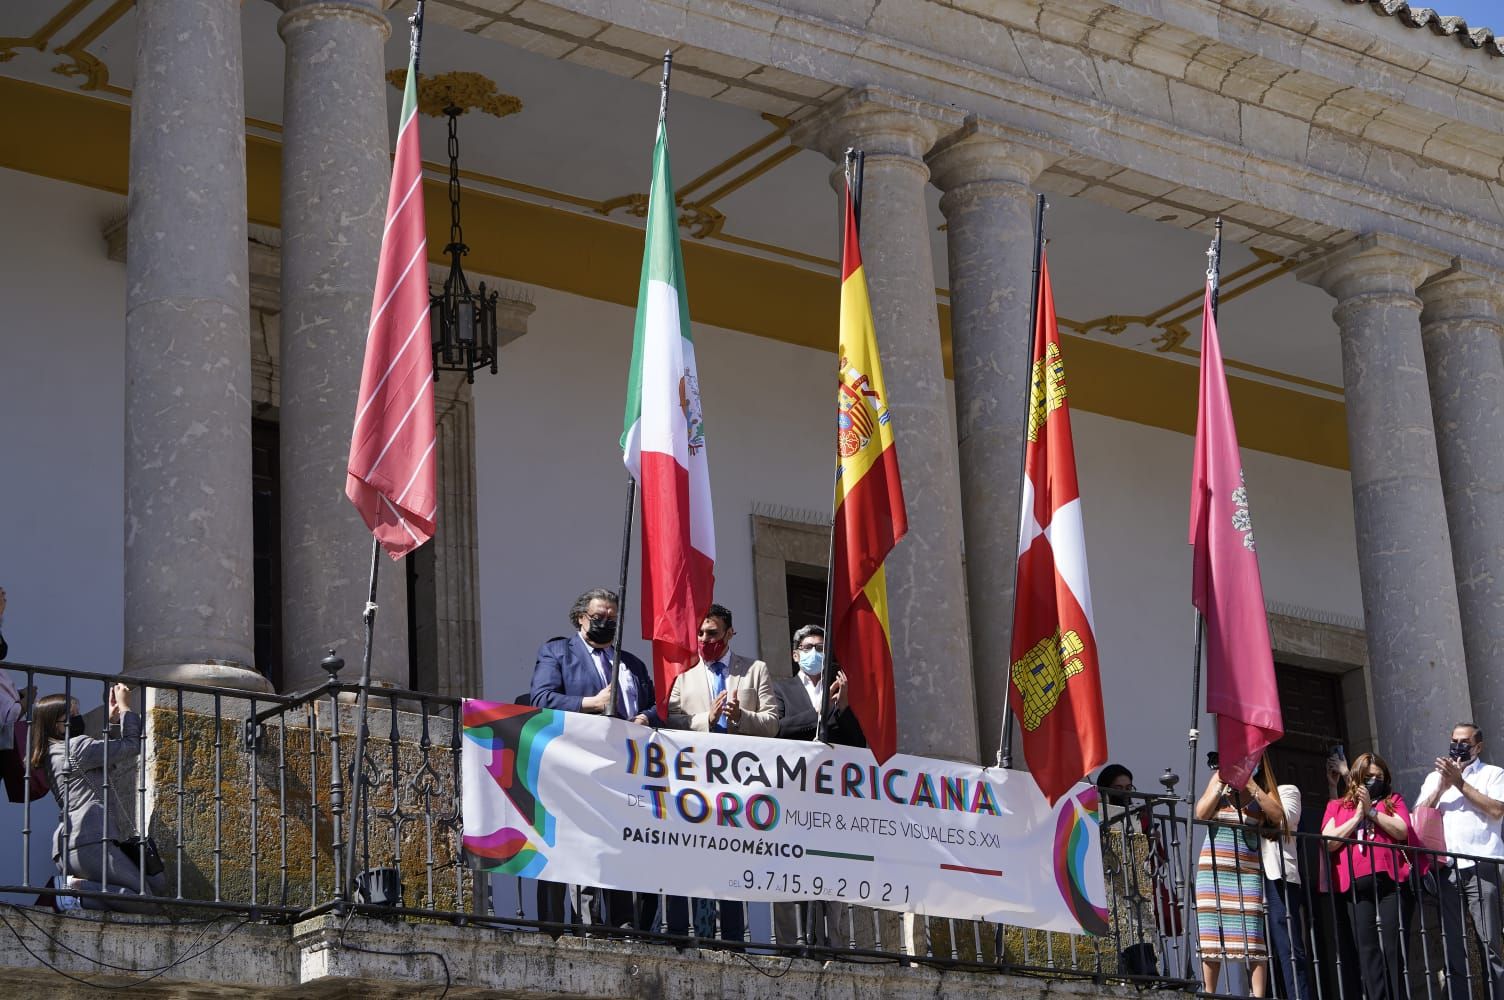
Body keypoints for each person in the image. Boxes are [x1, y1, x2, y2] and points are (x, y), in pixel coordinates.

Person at [528, 587, 659, 931]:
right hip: (575, 766)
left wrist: (646, 717)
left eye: (613, 619)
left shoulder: (630, 663)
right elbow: (541, 698)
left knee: (620, 844)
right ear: (580, 617)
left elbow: (655, 703)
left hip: (625, 770)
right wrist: (592, 702)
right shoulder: (558, 651)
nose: (606, 623)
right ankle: (586, 924)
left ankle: (625, 924)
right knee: (579, 846)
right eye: (599, 617)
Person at [662, 605, 777, 943]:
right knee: (688, 853)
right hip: (693, 780)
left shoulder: (754, 670)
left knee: (731, 856)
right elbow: (669, 718)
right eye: (699, 633)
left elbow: (772, 723)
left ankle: (731, 937)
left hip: (739, 782)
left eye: (711, 633)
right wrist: (706, 720)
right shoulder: (682, 671)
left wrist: (742, 717)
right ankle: (682, 933)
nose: (704, 639)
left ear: (729, 634)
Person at [770, 624, 868, 949]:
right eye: (809, 647)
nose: (816, 654)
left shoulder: (839, 692)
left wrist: (843, 709)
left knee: (831, 879)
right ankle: (789, 947)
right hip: (791, 800)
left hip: (829, 805)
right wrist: (820, 710)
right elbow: (780, 730)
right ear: (796, 654)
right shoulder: (779, 689)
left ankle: (834, 949)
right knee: (787, 878)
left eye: (821, 648)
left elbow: (857, 745)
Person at [30, 684, 164, 910]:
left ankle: (75, 892)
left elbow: (101, 759)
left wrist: (112, 722)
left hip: (71, 846)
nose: (78, 718)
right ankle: (72, 890)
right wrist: (125, 708)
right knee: (146, 902)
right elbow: (132, 745)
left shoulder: (52, 755)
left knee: (154, 884)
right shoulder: (76, 748)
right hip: (90, 841)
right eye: (71, 716)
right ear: (56, 725)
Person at [1416, 723, 1504, 1000]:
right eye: (1454, 740)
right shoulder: (1435, 777)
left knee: (1490, 943)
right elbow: (1418, 817)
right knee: (1452, 943)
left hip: (1482, 866)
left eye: (1465, 742)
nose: (1458, 746)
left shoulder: (1493, 774)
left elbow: (1497, 810)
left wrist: (1461, 783)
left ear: (1478, 746)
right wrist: (1442, 787)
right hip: (1447, 870)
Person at [1321, 752, 1414, 1000]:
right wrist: (1357, 816)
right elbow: (1329, 842)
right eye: (1369, 777)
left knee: (1394, 948)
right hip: (1355, 888)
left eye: (1379, 777)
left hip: (1391, 884)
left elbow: (1402, 830)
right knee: (1367, 950)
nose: (1374, 781)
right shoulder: (1337, 806)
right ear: (1358, 778)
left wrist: (1371, 813)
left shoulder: (1393, 800)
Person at [1195, 759, 1284, 996]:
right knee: (1212, 937)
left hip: (1247, 873)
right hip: (1213, 873)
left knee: (1254, 938)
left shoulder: (1261, 789)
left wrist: (1252, 785)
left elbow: (1277, 816)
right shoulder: (1219, 780)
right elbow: (1201, 813)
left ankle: (1258, 995)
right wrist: (1220, 785)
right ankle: (1210, 993)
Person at [1254, 756, 1311, 1000]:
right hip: (1248, 880)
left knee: (1289, 948)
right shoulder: (1235, 799)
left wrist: (1249, 785)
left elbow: (1282, 818)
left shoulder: (1287, 791)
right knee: (1256, 951)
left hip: (1278, 879)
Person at [1096, 763, 1159, 980]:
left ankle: (1147, 970)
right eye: (1118, 789)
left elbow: (1157, 857)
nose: (1124, 794)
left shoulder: (1139, 815)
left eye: (1128, 789)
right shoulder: (1095, 815)